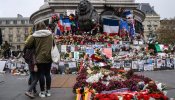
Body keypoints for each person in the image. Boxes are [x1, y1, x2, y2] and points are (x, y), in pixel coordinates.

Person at [25, 22, 53, 98]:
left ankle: (42, 92)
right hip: (49, 57)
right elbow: (53, 44)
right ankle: (48, 91)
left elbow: (27, 45)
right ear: (45, 26)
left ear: (37, 28)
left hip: (39, 58)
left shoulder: (34, 36)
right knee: (47, 74)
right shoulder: (50, 34)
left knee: (41, 75)